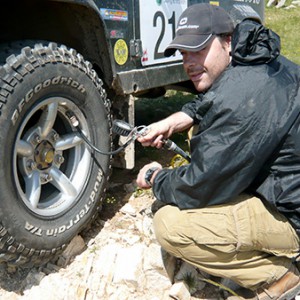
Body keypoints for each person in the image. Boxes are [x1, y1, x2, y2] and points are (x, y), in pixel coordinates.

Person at [136, 3, 300, 300]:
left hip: (292, 213)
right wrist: (182, 116)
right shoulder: (258, 60)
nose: (189, 62)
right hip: (290, 187)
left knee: (169, 225)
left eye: (198, 50)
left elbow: (199, 186)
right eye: (184, 53)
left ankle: (279, 276)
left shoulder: (240, 99)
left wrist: (157, 177)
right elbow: (219, 98)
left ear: (227, 41)